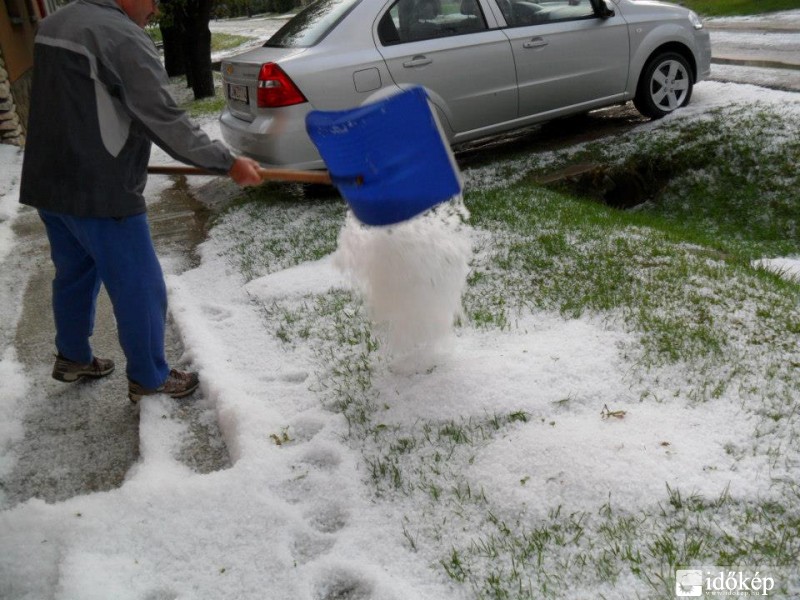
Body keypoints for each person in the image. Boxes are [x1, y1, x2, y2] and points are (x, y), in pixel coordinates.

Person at [19, 0, 263, 403]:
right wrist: (228, 163)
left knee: (75, 273)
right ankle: (150, 376)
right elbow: (164, 118)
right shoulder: (121, 37)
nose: (156, 7)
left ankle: (73, 356)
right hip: (100, 190)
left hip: (50, 182)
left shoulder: (55, 22)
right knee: (139, 285)